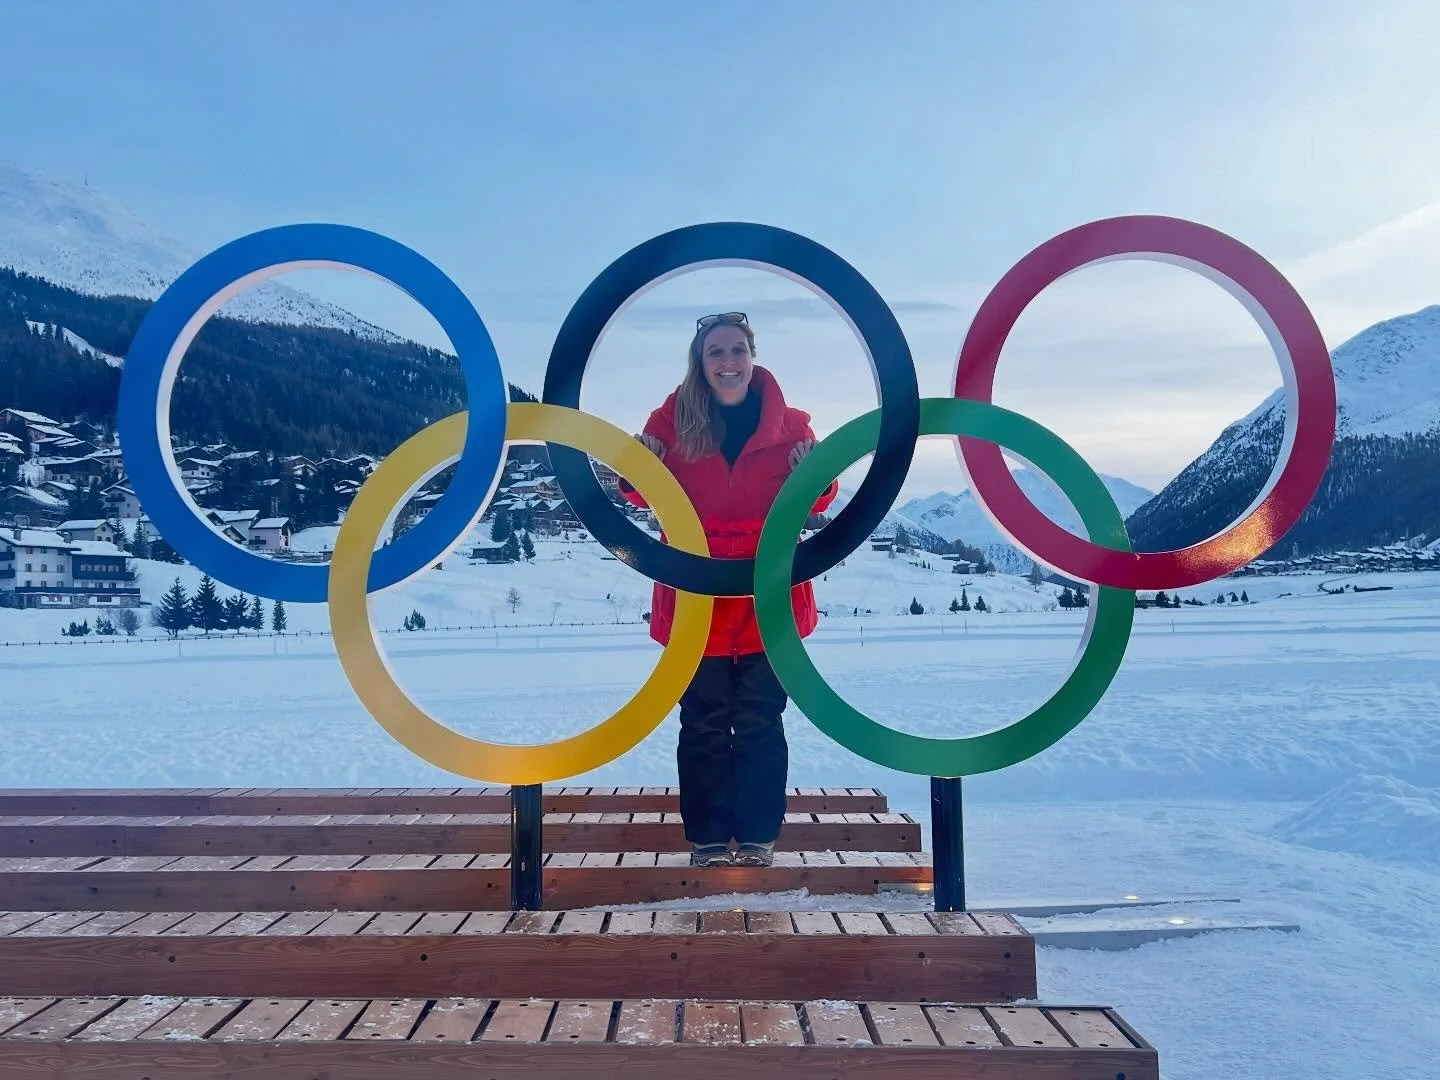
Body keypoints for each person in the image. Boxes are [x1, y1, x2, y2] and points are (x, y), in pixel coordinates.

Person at [619, 311, 837, 868]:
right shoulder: (669, 422)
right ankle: (710, 840)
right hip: (698, 598)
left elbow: (814, 500)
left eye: (737, 349)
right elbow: (637, 493)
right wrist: (639, 464)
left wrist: (817, 474)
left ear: (753, 355)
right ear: (700, 361)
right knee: (705, 720)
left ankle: (759, 837)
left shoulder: (791, 426)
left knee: (763, 718)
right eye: (715, 351)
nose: (728, 361)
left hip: (769, 598)